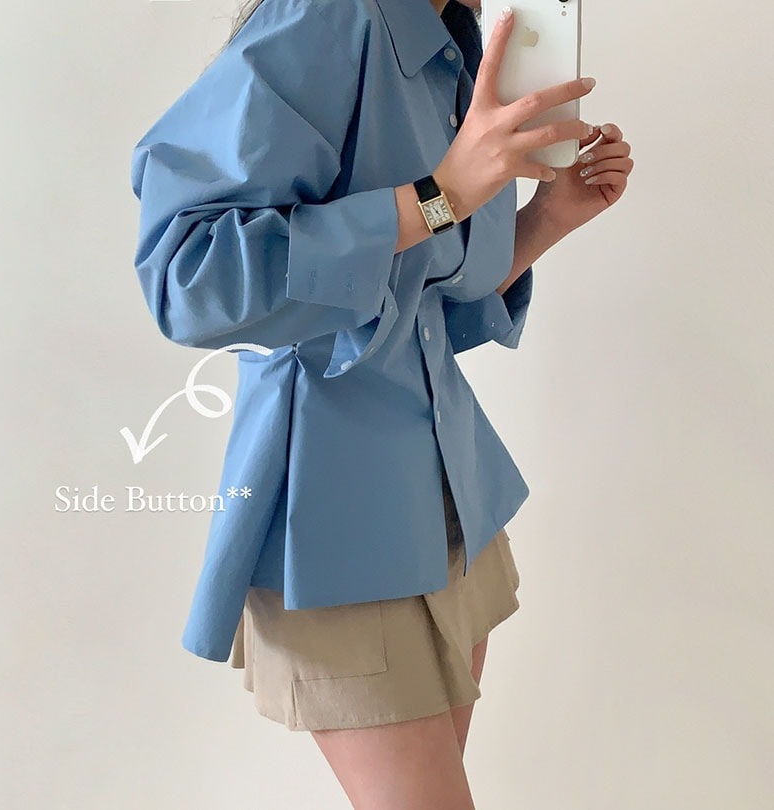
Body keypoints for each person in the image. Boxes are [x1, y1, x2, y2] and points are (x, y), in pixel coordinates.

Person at [130, 0, 633, 806]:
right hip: (333, 526)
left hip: (450, 504)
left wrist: (545, 220)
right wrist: (441, 194)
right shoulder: (328, 17)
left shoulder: (452, 43)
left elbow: (419, 309)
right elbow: (188, 279)